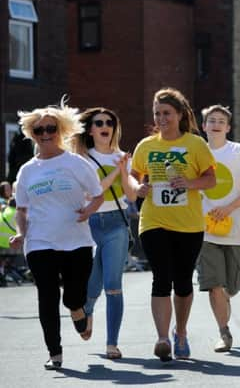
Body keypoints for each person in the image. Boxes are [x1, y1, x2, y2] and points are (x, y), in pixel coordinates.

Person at [10, 103, 104, 370]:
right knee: (47, 296)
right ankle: (55, 353)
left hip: (77, 241)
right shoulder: (28, 170)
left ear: (61, 130)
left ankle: (77, 308)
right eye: (39, 129)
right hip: (40, 241)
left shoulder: (75, 163)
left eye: (51, 128)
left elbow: (98, 195)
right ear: (32, 133)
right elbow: (22, 208)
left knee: (73, 296)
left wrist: (88, 211)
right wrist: (21, 233)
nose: (45, 133)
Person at [129, 88, 216, 361]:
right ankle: (163, 337)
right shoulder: (146, 146)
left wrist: (189, 183)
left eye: (166, 113)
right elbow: (131, 177)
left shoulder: (195, 144)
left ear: (179, 114)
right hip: (154, 220)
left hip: (188, 224)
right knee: (161, 278)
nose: (161, 118)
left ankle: (181, 332)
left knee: (183, 283)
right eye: (157, 113)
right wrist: (138, 187)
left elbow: (210, 179)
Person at [73, 108, 137, 359]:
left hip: (116, 224)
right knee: (92, 282)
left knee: (113, 285)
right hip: (89, 225)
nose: (105, 125)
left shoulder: (123, 157)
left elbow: (131, 196)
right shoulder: (82, 158)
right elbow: (93, 193)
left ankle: (112, 343)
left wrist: (123, 170)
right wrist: (115, 171)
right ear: (90, 129)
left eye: (110, 122)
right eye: (99, 122)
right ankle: (86, 309)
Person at [197, 105, 240, 353]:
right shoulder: (196, 152)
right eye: (212, 120)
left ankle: (225, 300)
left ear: (228, 127)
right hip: (203, 230)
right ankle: (224, 332)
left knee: (231, 286)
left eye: (221, 121)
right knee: (214, 284)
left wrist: (228, 208)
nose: (216, 124)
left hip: (236, 228)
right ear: (204, 126)